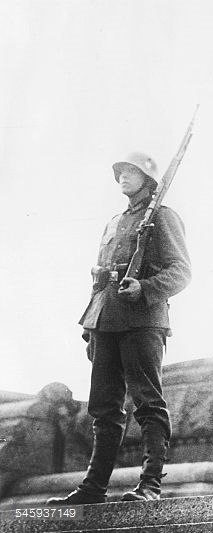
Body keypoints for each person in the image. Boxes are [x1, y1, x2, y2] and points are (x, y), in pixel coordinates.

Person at [48, 152, 191, 503]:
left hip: (142, 320)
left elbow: (181, 271)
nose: (123, 177)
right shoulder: (114, 222)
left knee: (147, 403)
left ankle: (151, 485)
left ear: (148, 178)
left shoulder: (163, 218)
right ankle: (93, 487)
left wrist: (145, 288)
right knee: (103, 407)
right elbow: (100, 277)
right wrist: (90, 325)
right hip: (105, 321)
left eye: (131, 172)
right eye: (121, 172)